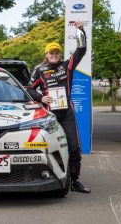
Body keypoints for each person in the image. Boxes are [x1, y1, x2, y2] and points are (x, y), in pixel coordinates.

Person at [27, 21, 91, 193]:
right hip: (50, 114)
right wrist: (41, 97)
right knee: (49, 147)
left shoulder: (66, 65)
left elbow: (82, 50)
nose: (54, 54)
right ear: (46, 54)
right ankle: (45, 177)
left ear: (59, 53)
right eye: (51, 52)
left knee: (75, 148)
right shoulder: (39, 70)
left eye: (56, 52)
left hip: (67, 111)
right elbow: (28, 89)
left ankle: (75, 180)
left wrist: (81, 29)